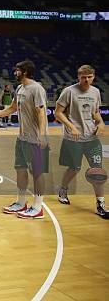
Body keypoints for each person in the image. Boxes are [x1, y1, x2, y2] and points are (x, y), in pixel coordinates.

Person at [0, 60, 49, 219]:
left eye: (17, 70)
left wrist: (42, 135)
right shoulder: (20, 88)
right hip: (22, 138)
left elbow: (41, 113)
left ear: (25, 71)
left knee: (37, 173)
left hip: (35, 139)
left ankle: (38, 207)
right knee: (20, 170)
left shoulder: (36, 88)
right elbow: (12, 108)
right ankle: (21, 202)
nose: (15, 73)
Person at [54, 65, 107, 218]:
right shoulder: (69, 91)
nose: (86, 80)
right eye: (83, 77)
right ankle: (63, 189)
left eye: (89, 77)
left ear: (94, 76)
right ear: (78, 77)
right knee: (74, 168)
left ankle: (100, 204)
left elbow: (96, 112)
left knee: (97, 171)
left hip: (92, 138)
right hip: (73, 138)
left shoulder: (96, 92)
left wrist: (101, 123)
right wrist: (71, 126)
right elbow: (58, 113)